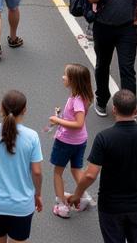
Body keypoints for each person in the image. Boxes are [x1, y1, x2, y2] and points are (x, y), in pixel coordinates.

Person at [67, 90, 137, 243]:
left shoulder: (104, 138)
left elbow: (90, 175)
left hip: (111, 207)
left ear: (114, 109)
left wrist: (77, 195)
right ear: (136, 111)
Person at [0, 90, 43, 243]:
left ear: (1, 108)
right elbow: (37, 172)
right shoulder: (32, 136)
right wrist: (38, 194)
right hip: (21, 206)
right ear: (25, 110)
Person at [47, 64, 95, 218]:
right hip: (80, 141)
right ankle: (84, 198)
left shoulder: (77, 101)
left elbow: (78, 123)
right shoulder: (83, 97)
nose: (63, 77)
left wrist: (57, 120)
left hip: (66, 141)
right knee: (76, 168)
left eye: (65, 75)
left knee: (57, 173)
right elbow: (77, 120)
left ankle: (61, 206)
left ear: (74, 80)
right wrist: (62, 116)